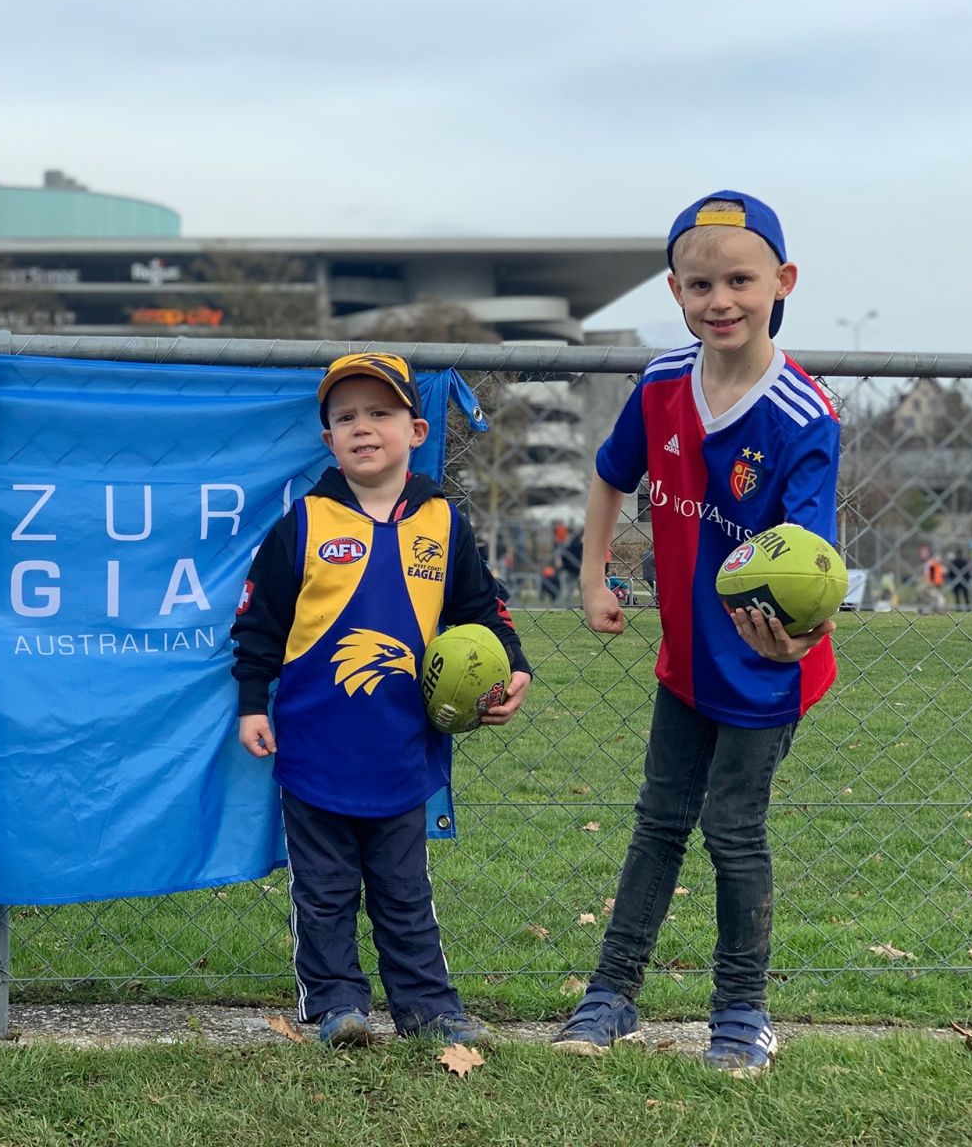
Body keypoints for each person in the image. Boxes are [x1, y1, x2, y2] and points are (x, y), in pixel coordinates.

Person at [552, 192, 840, 1078]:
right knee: (657, 819)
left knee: (733, 827)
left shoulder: (802, 415)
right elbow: (609, 478)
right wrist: (594, 574)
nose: (722, 299)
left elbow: (813, 563)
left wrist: (798, 636)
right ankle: (611, 995)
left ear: (782, 282)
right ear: (676, 290)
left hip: (765, 663)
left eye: (741, 281)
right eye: (701, 283)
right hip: (685, 659)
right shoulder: (661, 383)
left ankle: (741, 1011)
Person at [231, 352, 532, 1048]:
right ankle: (335, 1004)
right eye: (345, 418)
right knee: (325, 892)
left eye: (380, 413)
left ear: (417, 429)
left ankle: (428, 1006)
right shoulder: (302, 524)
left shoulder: (445, 525)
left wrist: (511, 667)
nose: (363, 428)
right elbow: (259, 625)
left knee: (405, 894)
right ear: (327, 440)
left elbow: (484, 610)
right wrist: (253, 701)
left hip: (404, 751)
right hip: (314, 748)